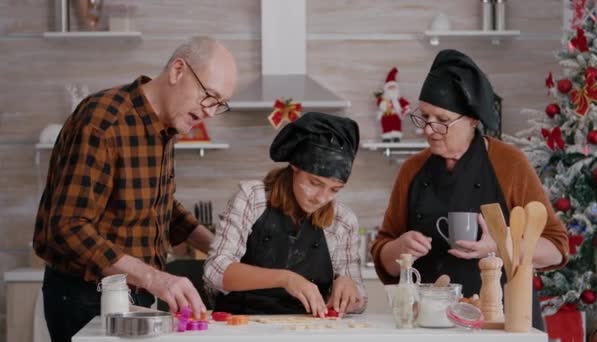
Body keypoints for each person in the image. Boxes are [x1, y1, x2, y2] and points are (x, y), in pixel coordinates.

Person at [33, 36, 237, 342]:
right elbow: (67, 226)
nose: (210, 111)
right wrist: (155, 278)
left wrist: (220, 250)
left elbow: (160, 206)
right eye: (209, 95)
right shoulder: (103, 121)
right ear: (178, 71)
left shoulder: (165, 127)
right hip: (85, 297)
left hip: (135, 295)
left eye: (219, 104)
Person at [371, 49, 568, 329]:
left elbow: (556, 248)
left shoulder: (509, 163)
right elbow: (383, 256)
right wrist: (400, 249)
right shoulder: (412, 170)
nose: (429, 129)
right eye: (425, 116)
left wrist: (501, 246)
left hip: (501, 323)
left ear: (472, 120)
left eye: (441, 119)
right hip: (431, 324)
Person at [204, 112, 367, 317]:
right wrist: (285, 278)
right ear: (294, 167)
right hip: (240, 325)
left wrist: (347, 286)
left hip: (306, 329)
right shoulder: (253, 198)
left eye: (334, 189)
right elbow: (215, 271)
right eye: (315, 183)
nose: (321, 198)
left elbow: (360, 301)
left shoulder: (343, 221)